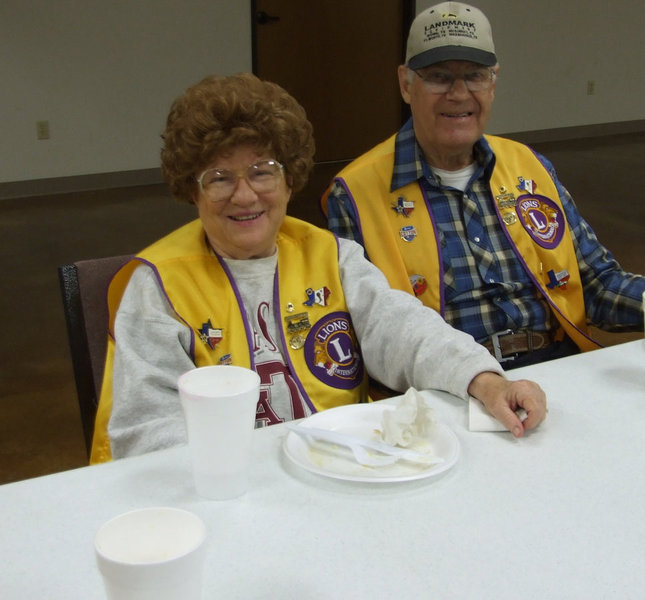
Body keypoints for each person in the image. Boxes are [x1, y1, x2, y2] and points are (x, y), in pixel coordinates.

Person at [89, 73, 546, 464]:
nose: (244, 196)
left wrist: (483, 380)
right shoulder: (158, 286)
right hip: (230, 490)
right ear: (192, 191)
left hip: (345, 470)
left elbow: (403, 331)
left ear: (290, 178)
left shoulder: (331, 256)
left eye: (262, 171)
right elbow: (146, 429)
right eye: (219, 178)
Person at [323, 1, 645, 368]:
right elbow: (371, 331)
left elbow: (597, 285)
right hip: (447, 386)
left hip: (557, 367)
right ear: (406, 84)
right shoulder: (356, 194)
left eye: (474, 75)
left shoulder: (529, 167)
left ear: (493, 83)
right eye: (439, 77)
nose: (459, 94)